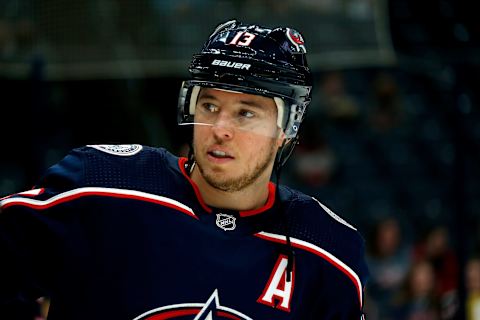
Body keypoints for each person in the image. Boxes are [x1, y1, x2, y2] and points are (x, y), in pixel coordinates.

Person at [0, 19, 369, 319]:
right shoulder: (102, 186)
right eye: (209, 105)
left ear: (287, 130)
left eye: (245, 112)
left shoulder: (328, 250)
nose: (220, 128)